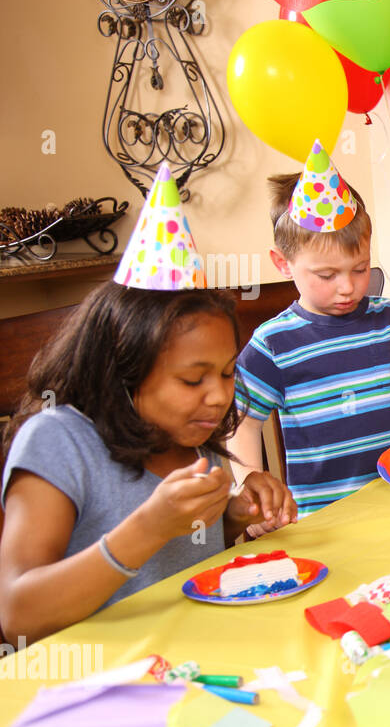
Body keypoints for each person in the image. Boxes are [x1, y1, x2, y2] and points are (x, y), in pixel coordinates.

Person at [0, 166, 295, 642]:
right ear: (124, 370)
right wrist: (147, 529)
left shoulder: (198, 442)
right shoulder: (59, 441)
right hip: (90, 684)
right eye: (193, 379)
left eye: (225, 373)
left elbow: (187, 567)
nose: (220, 396)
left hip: (194, 662)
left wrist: (236, 516)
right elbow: (17, 614)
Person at [228, 141, 390, 519]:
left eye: (359, 268)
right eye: (327, 275)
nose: (347, 286)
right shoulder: (274, 343)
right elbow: (242, 421)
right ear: (283, 263)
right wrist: (251, 488)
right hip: (325, 519)